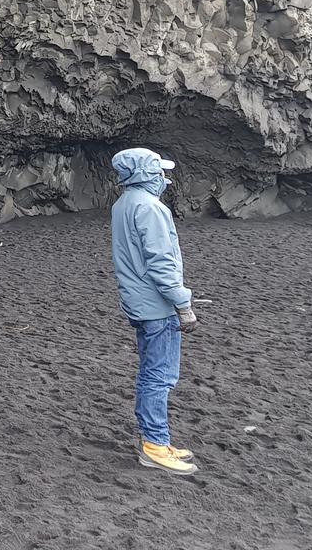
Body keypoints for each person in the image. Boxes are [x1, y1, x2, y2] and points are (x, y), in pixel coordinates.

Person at [110, 147, 200, 476]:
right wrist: (183, 304)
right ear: (146, 173)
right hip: (157, 305)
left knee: (153, 373)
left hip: (137, 302)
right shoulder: (151, 208)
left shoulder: (125, 204)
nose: (164, 177)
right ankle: (155, 445)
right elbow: (162, 262)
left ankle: (157, 440)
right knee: (159, 377)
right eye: (159, 170)